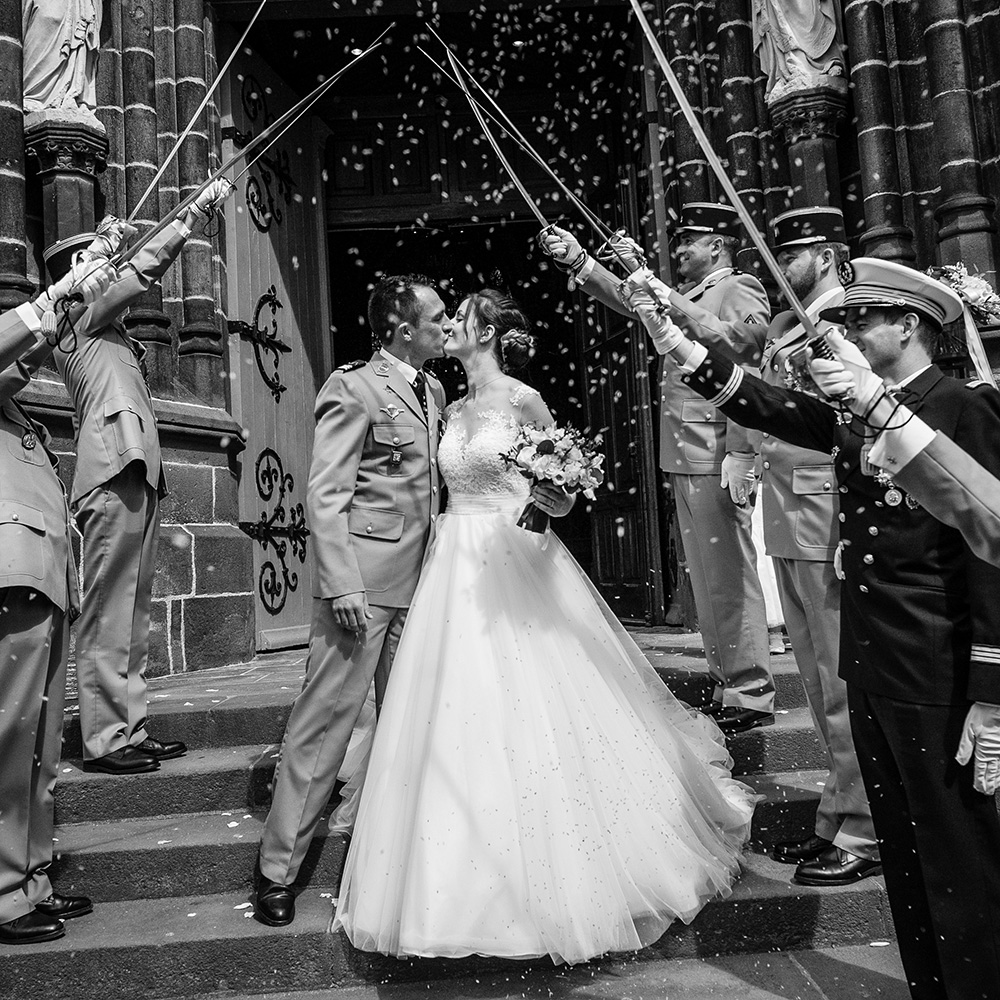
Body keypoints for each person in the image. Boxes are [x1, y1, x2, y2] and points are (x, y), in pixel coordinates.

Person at [332, 288, 756, 965]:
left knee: (531, 702)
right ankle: (449, 874)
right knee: (451, 711)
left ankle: (555, 874)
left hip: (516, 559)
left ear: (491, 333)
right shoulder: (448, 403)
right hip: (452, 565)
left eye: (462, 317)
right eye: (445, 317)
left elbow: (560, 483)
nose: (450, 325)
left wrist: (551, 498)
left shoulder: (523, 400)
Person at [632, 258, 1000, 1000]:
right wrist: (670, 334)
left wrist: (992, 693)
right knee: (905, 853)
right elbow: (763, 403)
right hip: (874, 662)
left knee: (959, 858)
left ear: (910, 326)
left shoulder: (963, 407)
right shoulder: (863, 407)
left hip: (939, 670)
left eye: (865, 319)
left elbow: (989, 558)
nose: (848, 330)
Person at [629, 207, 879, 886]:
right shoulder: (790, 325)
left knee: (838, 679)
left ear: (826, 253)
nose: (780, 259)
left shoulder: (849, 325)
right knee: (821, 675)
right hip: (790, 512)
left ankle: (864, 825)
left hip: (828, 515)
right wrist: (740, 453)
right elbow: (761, 401)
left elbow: (866, 431)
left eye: (794, 250)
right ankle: (839, 812)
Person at [254, 274, 450, 927]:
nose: (446, 327)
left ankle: (400, 859)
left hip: (422, 587)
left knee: (410, 725)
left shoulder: (435, 390)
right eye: (435, 318)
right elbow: (326, 494)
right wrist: (341, 583)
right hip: (362, 591)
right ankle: (277, 870)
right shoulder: (354, 386)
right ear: (400, 328)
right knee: (324, 727)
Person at [540, 203, 774, 734]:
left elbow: (744, 346)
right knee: (706, 576)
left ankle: (753, 689)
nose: (680, 252)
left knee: (729, 574)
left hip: (718, 449)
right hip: (685, 451)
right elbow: (632, 303)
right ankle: (727, 679)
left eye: (688, 242)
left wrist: (744, 449)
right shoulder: (687, 294)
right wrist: (582, 262)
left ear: (717, 244)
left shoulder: (740, 286)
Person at [42, 178, 234, 776]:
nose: (106, 261)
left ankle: (130, 725)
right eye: (92, 257)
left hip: (137, 472)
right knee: (108, 610)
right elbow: (140, 273)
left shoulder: (109, 329)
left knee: (134, 608)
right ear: (74, 272)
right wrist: (190, 218)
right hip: (111, 472)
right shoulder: (74, 315)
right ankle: (103, 738)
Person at [0, 253, 113, 945]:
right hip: (13, 570)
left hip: (40, 571)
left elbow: (25, 351)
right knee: (11, 745)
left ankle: (30, 877)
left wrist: (73, 297)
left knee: (38, 748)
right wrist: (56, 293)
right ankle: (6, 894)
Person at [811, 335, 1000, 568]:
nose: (851, 334)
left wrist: (875, 404)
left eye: (862, 323)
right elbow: (982, 509)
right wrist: (875, 405)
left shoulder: (965, 400)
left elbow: (988, 520)